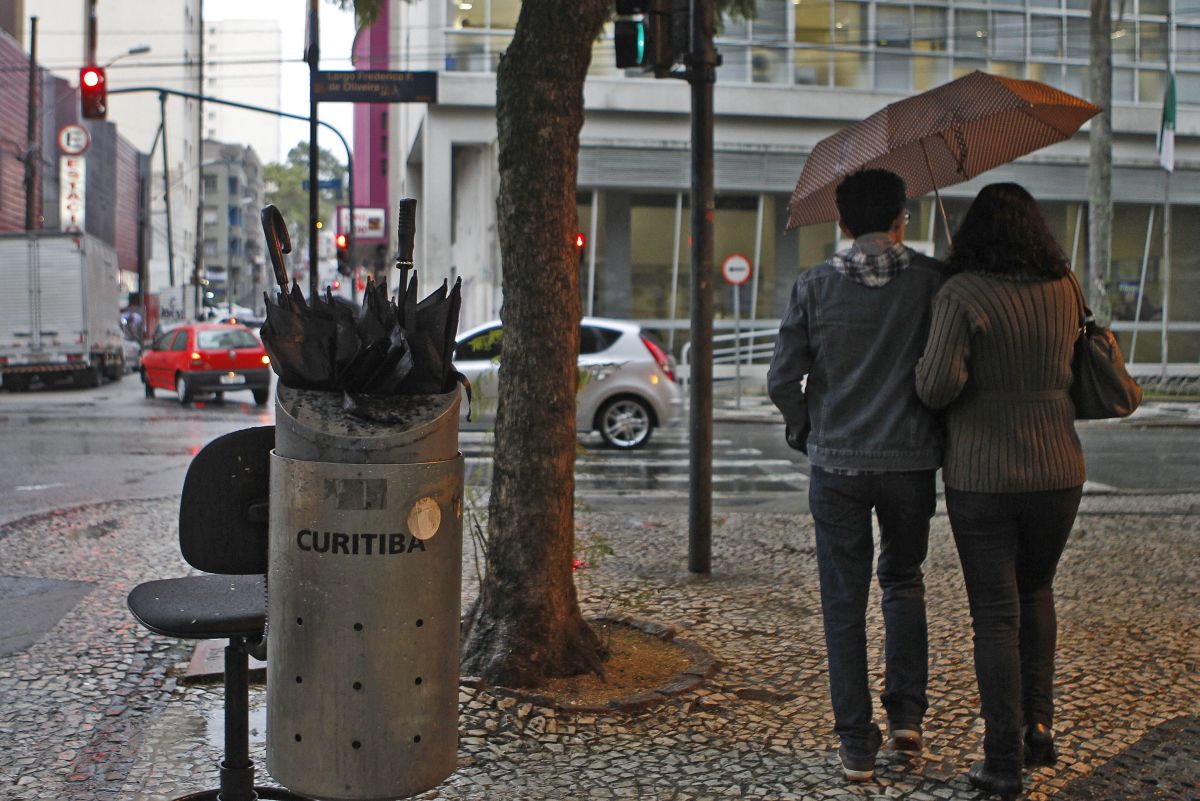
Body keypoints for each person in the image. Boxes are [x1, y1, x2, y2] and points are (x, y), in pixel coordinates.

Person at [768, 168, 949, 782]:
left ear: (842, 223)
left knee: (842, 603)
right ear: (903, 217)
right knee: (904, 581)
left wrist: (804, 428)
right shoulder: (933, 281)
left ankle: (855, 744)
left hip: (837, 465)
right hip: (911, 464)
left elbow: (781, 380)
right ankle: (907, 717)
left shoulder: (814, 285)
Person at [915, 183, 1086, 801]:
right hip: (1059, 469)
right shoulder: (1065, 287)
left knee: (994, 615)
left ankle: (1001, 761)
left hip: (983, 473)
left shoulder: (961, 293)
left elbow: (936, 387)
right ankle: (1038, 727)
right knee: (1037, 591)